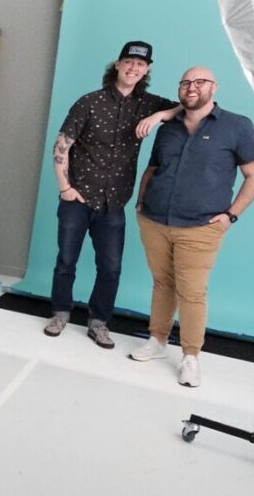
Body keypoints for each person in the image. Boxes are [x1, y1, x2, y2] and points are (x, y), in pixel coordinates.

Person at [129, 66, 254, 388]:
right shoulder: (169, 128)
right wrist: (140, 202)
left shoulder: (237, 126)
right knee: (163, 282)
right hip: (154, 220)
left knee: (191, 292)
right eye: (186, 82)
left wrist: (231, 215)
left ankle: (191, 356)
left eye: (200, 82)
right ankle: (157, 340)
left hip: (201, 227)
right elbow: (153, 168)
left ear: (214, 87)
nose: (192, 87)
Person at [42, 39, 181, 348]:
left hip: (114, 204)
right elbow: (62, 144)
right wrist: (65, 188)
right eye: (129, 62)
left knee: (111, 267)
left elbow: (185, 107)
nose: (134, 68)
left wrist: (157, 117)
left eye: (140, 64)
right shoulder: (89, 102)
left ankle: (98, 322)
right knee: (66, 260)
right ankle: (60, 313)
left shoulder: (147, 104)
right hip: (77, 199)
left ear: (146, 70)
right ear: (118, 65)